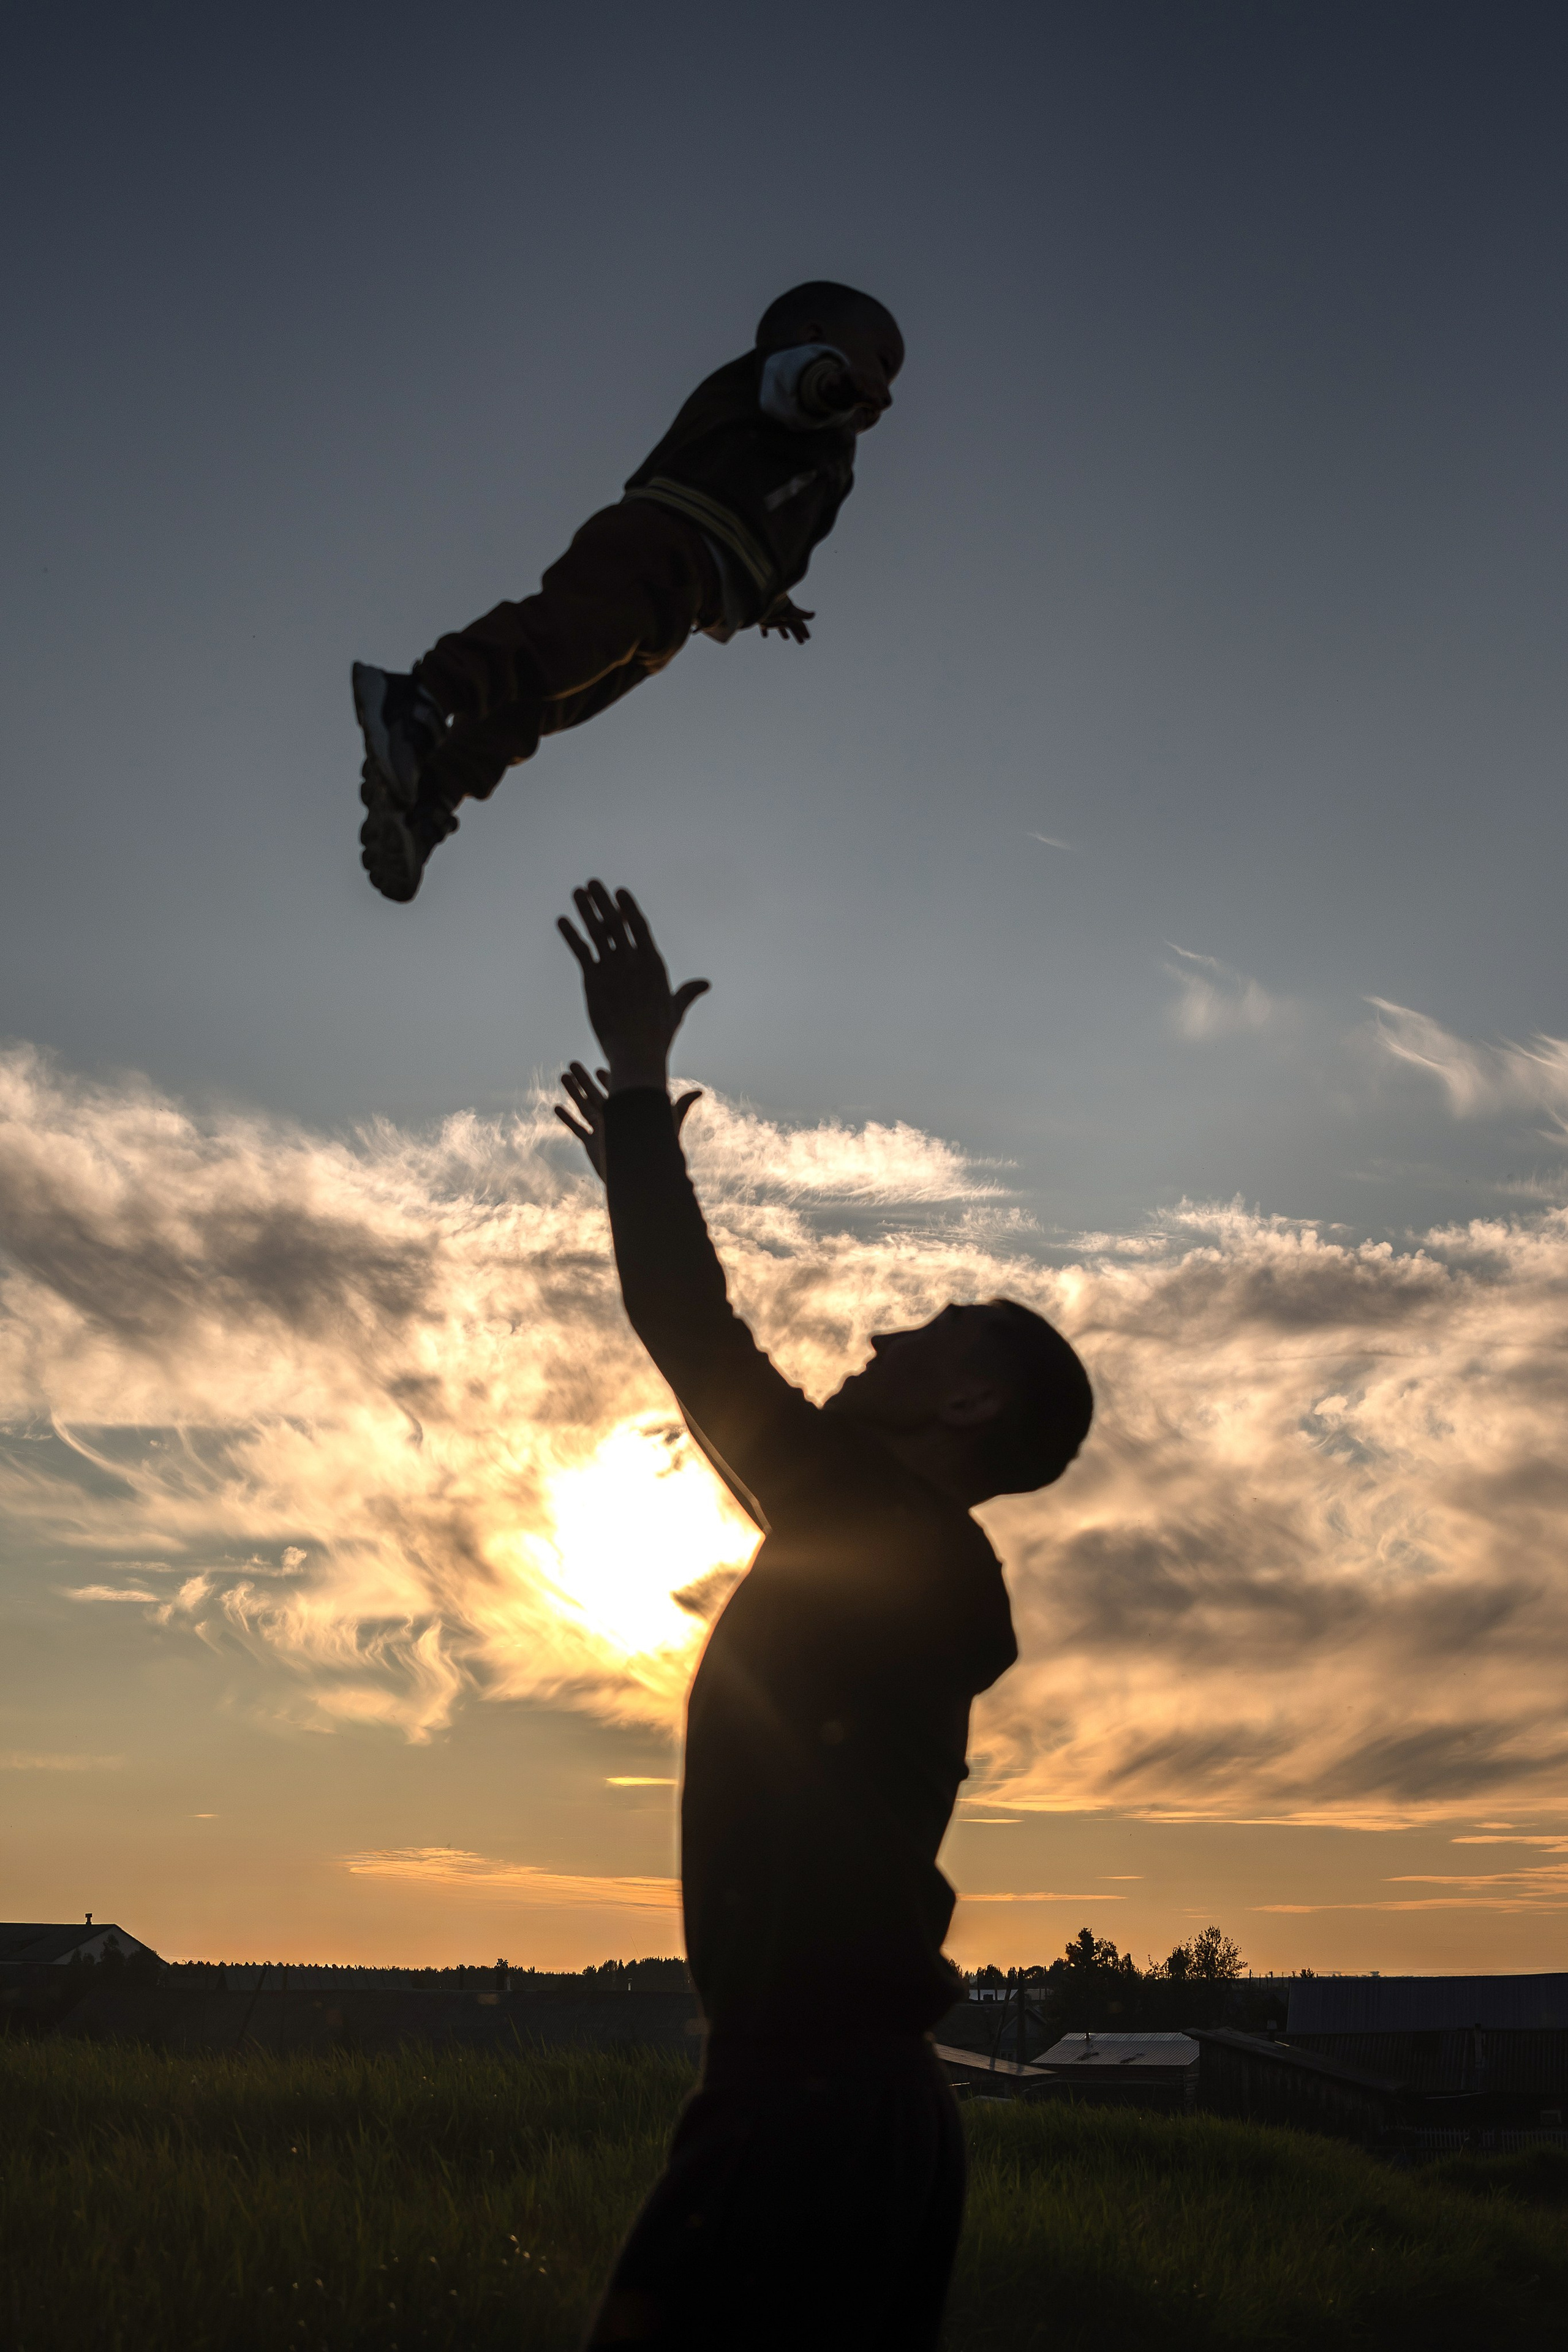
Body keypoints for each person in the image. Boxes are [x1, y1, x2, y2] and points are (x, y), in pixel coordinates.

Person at [552, 881, 1093, 2351]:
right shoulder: (902, 1560)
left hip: (806, 2116)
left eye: (923, 1335)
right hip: (851, 2115)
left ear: (971, 1400)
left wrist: (644, 1096)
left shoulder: (888, 1539)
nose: (877, 1335)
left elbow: (696, 1341)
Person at [353, 281, 904, 902]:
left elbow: (771, 520)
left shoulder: (829, 451)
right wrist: (836, 383)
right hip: (662, 543)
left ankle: (428, 800)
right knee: (564, 638)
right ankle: (422, 696)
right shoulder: (796, 376)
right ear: (816, 339)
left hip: (691, 599)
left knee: (548, 700)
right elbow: (802, 385)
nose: (886, 392)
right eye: (883, 363)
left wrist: (769, 600)